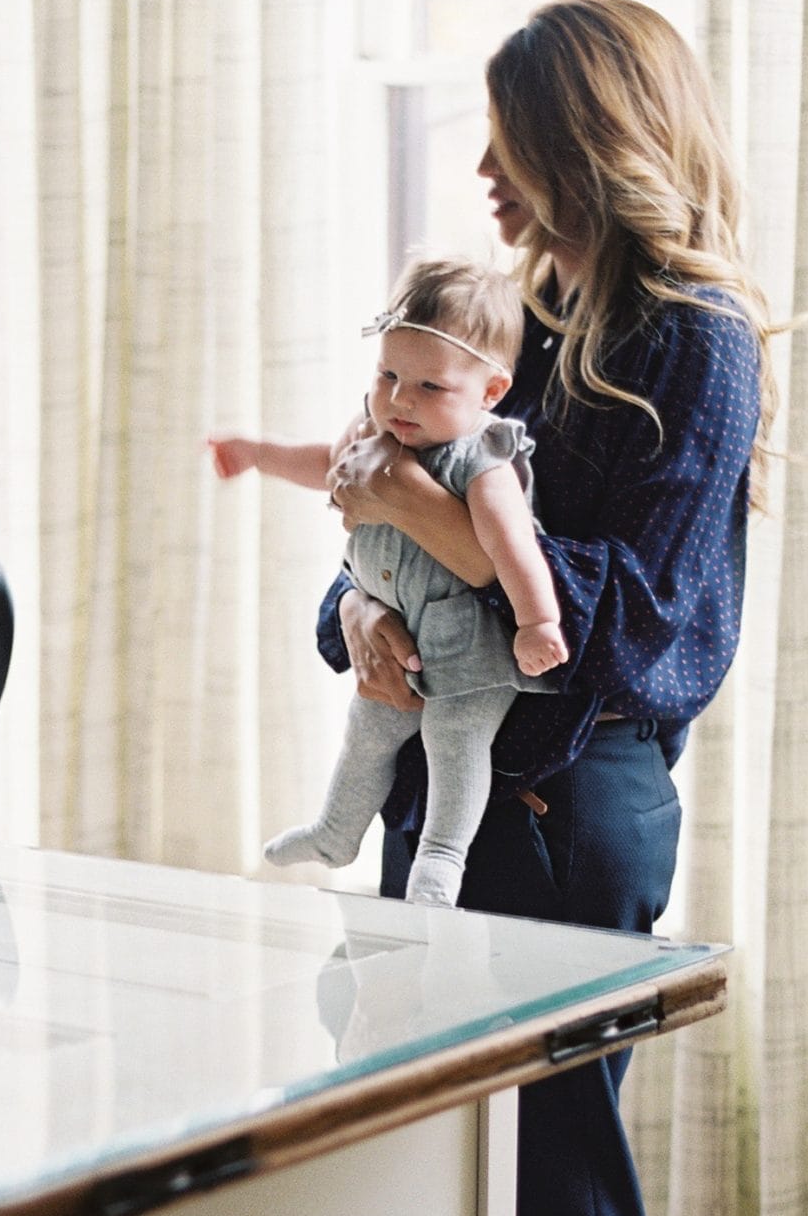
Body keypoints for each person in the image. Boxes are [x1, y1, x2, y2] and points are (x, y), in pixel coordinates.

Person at [319, 0, 775, 1216]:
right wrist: (364, 618)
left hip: (575, 804)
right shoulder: (523, 314)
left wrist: (430, 535)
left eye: (513, 140)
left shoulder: (694, 343)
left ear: (588, 139)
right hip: (448, 790)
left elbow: (628, 634)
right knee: (442, 1144)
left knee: (560, 1154)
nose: (488, 174)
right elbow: (375, 546)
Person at [209, 256, 567, 906]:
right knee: (369, 732)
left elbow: (512, 545)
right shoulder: (379, 426)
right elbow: (329, 464)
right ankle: (335, 833)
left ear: (489, 392)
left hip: (472, 653)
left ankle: (440, 861)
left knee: (454, 744)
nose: (401, 399)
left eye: (430, 387)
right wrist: (258, 453)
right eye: (388, 375)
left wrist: (537, 622)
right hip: (398, 642)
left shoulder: (483, 457)